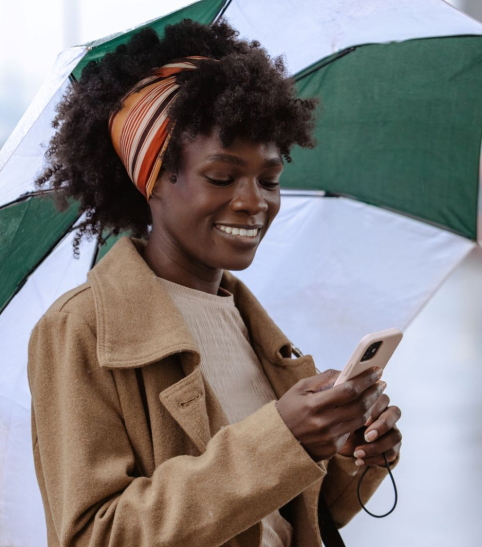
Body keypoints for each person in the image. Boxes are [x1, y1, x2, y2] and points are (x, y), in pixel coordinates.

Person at [27, 19, 402, 547]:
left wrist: (346, 457)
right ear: (152, 181)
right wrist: (282, 439)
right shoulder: (81, 329)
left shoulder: (248, 325)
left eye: (269, 179)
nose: (255, 201)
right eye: (222, 178)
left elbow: (282, 521)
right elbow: (96, 535)